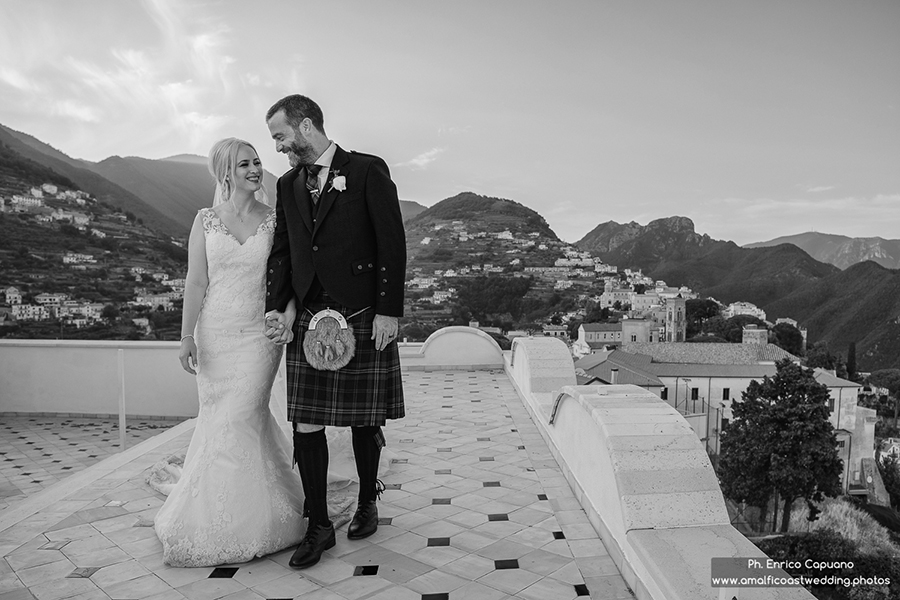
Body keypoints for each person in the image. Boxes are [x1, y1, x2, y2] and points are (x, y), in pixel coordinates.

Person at [264, 94, 407, 569]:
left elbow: (392, 241)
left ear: (306, 127)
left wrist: (389, 310)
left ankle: (367, 500)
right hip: (308, 314)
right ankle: (319, 524)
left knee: (366, 418)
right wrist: (279, 308)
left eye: (282, 136)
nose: (279, 148)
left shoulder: (366, 170)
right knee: (306, 419)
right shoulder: (287, 185)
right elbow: (282, 251)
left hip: (364, 310)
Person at [153, 138, 306, 567]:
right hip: (215, 335)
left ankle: (252, 521)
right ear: (225, 173)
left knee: (242, 416)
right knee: (219, 421)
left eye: (257, 162)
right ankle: (209, 515)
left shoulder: (276, 221)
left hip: (259, 339)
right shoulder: (205, 221)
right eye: (245, 164)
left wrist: (289, 316)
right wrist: (187, 338)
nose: (256, 169)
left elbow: (290, 281)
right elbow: (195, 282)